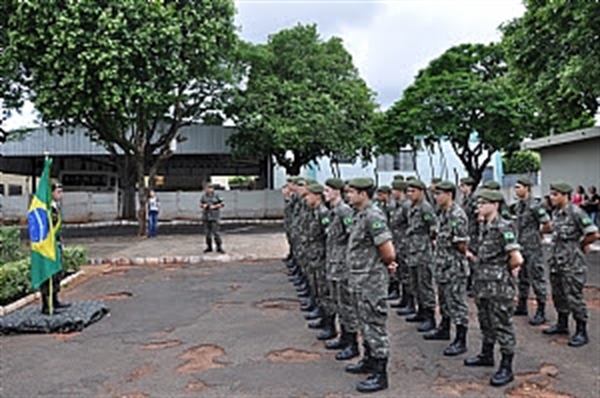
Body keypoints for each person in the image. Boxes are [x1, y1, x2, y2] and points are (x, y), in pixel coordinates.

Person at [464, 189, 523, 387]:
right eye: (478, 202)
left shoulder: (503, 226)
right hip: (483, 285)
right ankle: (486, 354)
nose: (479, 206)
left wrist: (503, 273)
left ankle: (507, 367)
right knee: (486, 321)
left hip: (499, 287)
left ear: (495, 204)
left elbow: (516, 258)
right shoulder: (485, 226)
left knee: (502, 325)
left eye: (484, 202)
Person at [344, 177, 397, 393]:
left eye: (351, 192)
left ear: (363, 194)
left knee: (375, 326)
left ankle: (380, 374)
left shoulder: (373, 216)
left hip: (371, 281)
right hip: (360, 280)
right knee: (364, 323)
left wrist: (385, 265)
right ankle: (368, 360)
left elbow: (388, 251)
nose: (347, 195)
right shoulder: (359, 214)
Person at [543, 181, 599, 347]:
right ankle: (562, 324)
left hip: (572, 263)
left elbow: (593, 234)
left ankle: (582, 331)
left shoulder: (576, 212)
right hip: (556, 262)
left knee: (574, 297)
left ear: (565, 195)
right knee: (558, 295)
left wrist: (581, 245)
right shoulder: (557, 213)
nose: (552, 198)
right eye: (551, 194)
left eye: (555, 194)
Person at [424, 181, 470, 357]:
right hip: (442, 266)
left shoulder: (457, 215)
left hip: (454, 267)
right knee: (444, 300)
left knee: (458, 303)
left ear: (449, 194)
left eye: (439, 194)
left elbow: (461, 244)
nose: (436, 197)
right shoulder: (443, 213)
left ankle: (461, 339)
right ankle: (444, 328)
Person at [322, 178, 360, 359]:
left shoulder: (345, 211)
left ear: (337, 191)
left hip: (343, 267)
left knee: (347, 306)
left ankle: (352, 344)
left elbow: (352, 238)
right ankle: (344, 337)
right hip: (334, 265)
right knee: (338, 303)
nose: (325, 194)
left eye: (327, 190)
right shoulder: (334, 211)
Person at [512, 178, 552, 325]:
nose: (516, 190)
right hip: (521, 246)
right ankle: (522, 305)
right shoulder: (518, 206)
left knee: (537, 277)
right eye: (515, 187)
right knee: (523, 277)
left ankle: (541, 310)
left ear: (527, 188)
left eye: (519, 187)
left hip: (533, 247)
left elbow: (547, 223)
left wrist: (539, 233)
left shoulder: (535, 205)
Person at [405, 179, 438, 333]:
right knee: (415, 284)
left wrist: (427, 242)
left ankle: (430, 317)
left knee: (425, 285)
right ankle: (421, 311)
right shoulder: (413, 207)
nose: (409, 194)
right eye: (408, 191)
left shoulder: (425, 208)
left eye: (413, 191)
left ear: (421, 191)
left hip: (423, 252)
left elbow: (433, 228)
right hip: (412, 251)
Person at [40, 183, 71, 315]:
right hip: (47, 247)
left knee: (57, 273)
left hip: (56, 244)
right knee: (49, 275)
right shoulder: (46, 209)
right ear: (51, 193)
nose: (61, 195)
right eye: (58, 192)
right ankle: (47, 305)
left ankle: (55, 300)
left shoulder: (54, 207)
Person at [389, 180, 412, 314]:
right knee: (402, 273)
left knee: (407, 275)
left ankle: (410, 302)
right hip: (398, 244)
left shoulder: (406, 206)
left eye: (394, 190)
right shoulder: (398, 205)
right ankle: (404, 299)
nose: (392, 192)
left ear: (399, 191)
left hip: (406, 245)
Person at [199, 183, 225, 253]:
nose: (209, 190)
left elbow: (222, 204)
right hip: (206, 217)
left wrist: (214, 206)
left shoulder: (216, 195)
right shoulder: (204, 196)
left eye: (210, 188)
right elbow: (201, 204)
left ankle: (219, 247)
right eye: (207, 188)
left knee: (216, 233)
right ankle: (209, 247)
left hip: (214, 216)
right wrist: (204, 206)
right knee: (207, 234)